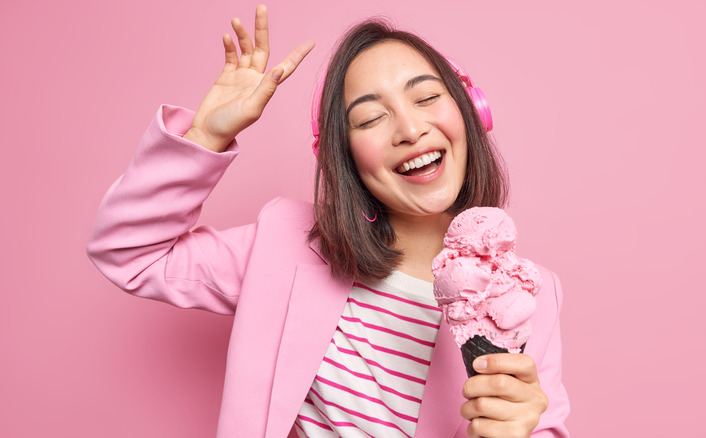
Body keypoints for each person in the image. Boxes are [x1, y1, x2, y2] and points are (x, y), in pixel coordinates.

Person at [87, 5, 569, 437]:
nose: (409, 129)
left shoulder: (529, 293)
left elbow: (541, 424)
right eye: (370, 118)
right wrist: (205, 135)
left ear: (471, 111)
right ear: (344, 157)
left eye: (425, 98)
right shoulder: (287, 247)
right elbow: (130, 251)